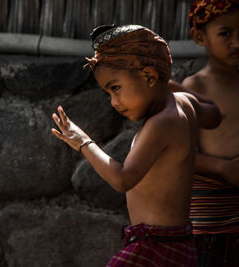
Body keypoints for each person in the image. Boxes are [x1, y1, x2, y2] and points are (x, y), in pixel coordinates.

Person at [51, 24, 221, 266]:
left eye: (116, 88)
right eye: (109, 93)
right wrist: (169, 83)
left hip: (155, 248)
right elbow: (215, 114)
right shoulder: (184, 104)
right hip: (178, 244)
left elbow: (122, 179)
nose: (114, 102)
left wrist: (83, 142)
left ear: (149, 76)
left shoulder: (161, 123)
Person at [175, 0, 239, 266]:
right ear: (200, 37)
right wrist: (223, 167)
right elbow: (183, 155)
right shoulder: (194, 87)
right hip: (211, 217)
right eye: (225, 33)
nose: (237, 42)